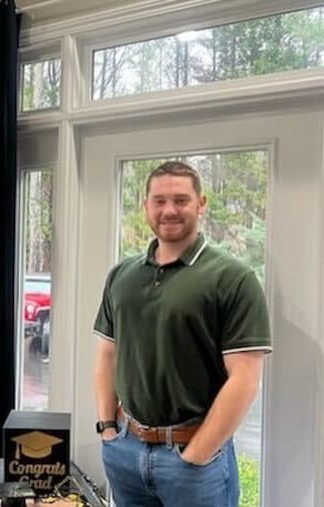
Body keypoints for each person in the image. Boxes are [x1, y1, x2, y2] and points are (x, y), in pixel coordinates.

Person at [93, 161, 271, 507]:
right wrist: (108, 428)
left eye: (181, 200)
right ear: (145, 206)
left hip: (194, 461)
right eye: (159, 201)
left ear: (200, 204)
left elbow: (245, 379)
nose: (169, 210)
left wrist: (197, 454)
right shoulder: (122, 275)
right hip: (125, 451)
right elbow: (108, 353)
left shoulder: (233, 278)